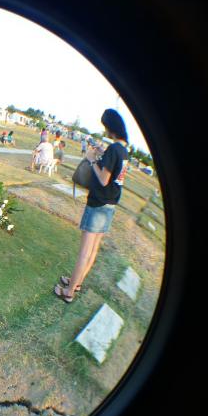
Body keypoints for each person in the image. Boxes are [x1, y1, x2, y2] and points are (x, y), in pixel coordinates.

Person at [54, 108, 130, 302]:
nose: (105, 131)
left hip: (98, 204)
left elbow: (103, 179)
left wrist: (91, 159)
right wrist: (102, 155)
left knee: (84, 251)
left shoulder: (114, 149)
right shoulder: (124, 151)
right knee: (93, 250)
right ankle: (76, 282)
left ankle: (69, 291)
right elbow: (114, 173)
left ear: (111, 128)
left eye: (105, 127)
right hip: (110, 205)